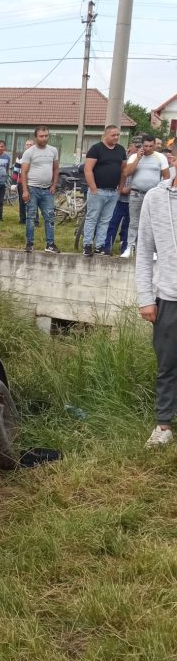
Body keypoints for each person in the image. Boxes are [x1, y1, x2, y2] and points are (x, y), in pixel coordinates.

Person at [135, 160, 177, 447]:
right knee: (167, 364)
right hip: (168, 297)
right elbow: (145, 250)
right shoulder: (155, 197)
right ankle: (163, 425)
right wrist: (146, 298)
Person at [119, 133, 170, 258]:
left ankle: (152, 250)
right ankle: (130, 247)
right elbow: (126, 173)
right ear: (142, 145)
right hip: (136, 193)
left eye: (151, 146)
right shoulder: (134, 157)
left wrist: (161, 191)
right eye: (145, 146)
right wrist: (138, 159)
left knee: (152, 222)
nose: (148, 149)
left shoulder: (160, 158)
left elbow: (166, 177)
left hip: (153, 195)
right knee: (134, 222)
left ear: (154, 145)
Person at [81, 125, 127, 258]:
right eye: (113, 135)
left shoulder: (120, 150)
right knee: (92, 218)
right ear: (105, 135)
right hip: (98, 191)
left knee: (106, 220)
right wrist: (93, 188)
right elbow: (88, 169)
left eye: (118, 135)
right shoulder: (96, 149)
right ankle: (87, 245)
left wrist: (120, 187)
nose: (116, 137)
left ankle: (100, 246)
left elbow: (123, 170)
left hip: (113, 192)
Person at [20, 126, 60, 253]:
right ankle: (29, 243)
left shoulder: (53, 151)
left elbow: (55, 169)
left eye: (46, 136)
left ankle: (50, 244)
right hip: (32, 188)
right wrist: (25, 191)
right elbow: (24, 172)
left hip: (47, 190)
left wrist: (54, 185)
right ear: (36, 137)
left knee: (50, 217)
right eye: (41, 136)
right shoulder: (29, 152)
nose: (44, 138)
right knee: (31, 217)